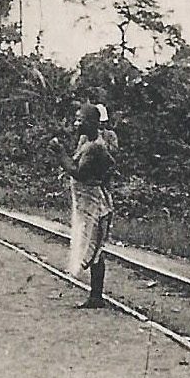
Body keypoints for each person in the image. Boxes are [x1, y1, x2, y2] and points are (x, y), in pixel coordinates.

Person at [54, 103, 115, 308]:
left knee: (94, 247)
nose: (76, 123)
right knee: (89, 243)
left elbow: (78, 171)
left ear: (93, 123)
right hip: (84, 201)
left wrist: (59, 152)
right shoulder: (84, 141)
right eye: (76, 119)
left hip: (95, 203)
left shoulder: (96, 146)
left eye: (81, 120)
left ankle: (96, 296)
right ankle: (95, 294)